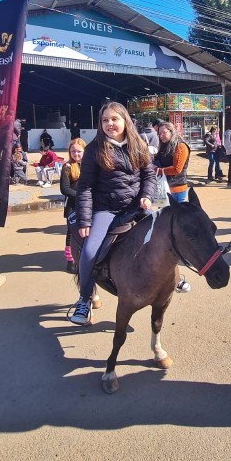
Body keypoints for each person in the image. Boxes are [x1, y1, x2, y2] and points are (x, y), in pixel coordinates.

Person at [70, 102, 156, 325]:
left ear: (125, 121)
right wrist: (85, 219)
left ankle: (173, 278)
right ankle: (84, 299)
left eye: (114, 119)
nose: (110, 124)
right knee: (89, 251)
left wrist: (147, 196)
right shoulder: (94, 149)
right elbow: (85, 186)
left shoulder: (139, 145)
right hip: (106, 209)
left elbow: (149, 177)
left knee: (167, 234)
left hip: (138, 207)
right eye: (105, 120)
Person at [153, 121, 193, 294]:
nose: (162, 135)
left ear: (172, 131)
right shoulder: (163, 146)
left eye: (164, 132)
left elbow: (177, 169)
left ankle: (187, 255)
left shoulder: (180, 146)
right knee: (164, 227)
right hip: (163, 191)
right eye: (160, 132)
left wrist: (159, 170)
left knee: (181, 226)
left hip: (177, 190)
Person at [61, 138, 85, 274]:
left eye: (79, 151)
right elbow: (65, 189)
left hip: (88, 205)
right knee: (71, 232)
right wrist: (81, 196)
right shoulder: (67, 167)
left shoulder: (89, 165)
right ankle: (70, 261)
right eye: (73, 151)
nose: (76, 154)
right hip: (72, 205)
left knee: (86, 230)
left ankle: (84, 256)